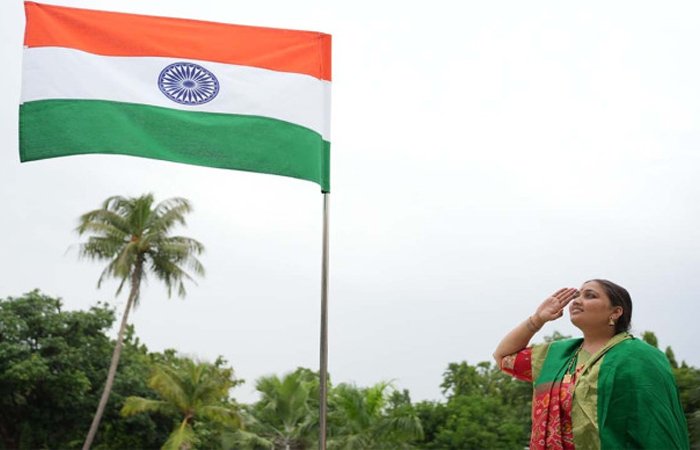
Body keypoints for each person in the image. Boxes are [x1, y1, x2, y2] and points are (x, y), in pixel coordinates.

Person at [493, 279, 689, 449]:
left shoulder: (640, 357)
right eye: (577, 296)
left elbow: (656, 427)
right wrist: (538, 319)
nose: (577, 301)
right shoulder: (555, 356)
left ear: (615, 312)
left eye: (590, 296)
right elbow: (503, 356)